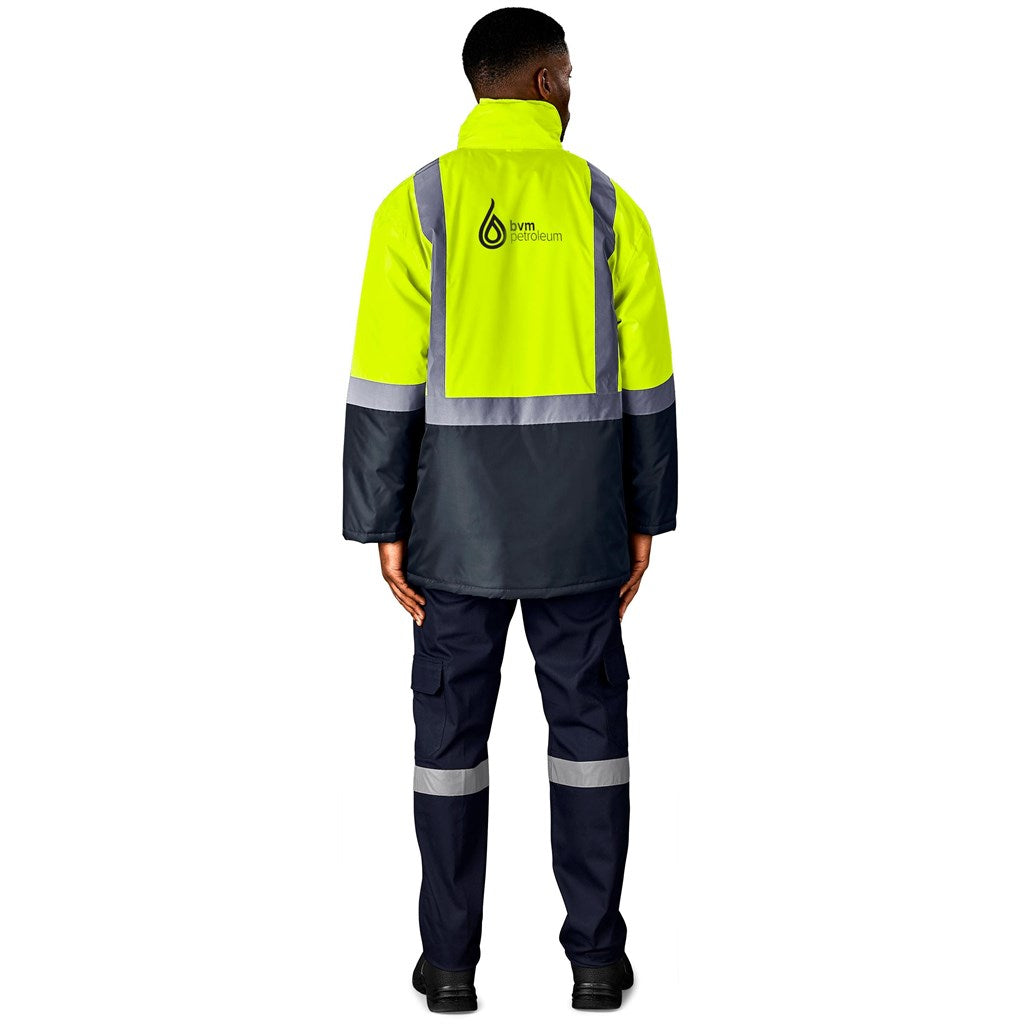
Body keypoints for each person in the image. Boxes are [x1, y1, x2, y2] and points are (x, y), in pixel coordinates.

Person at [342, 7, 677, 1012]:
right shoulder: (608, 206)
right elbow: (649, 380)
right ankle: (596, 961)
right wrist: (644, 514)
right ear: (543, 81)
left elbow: (382, 377)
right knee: (591, 737)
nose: (572, 92)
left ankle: (449, 967)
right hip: (582, 527)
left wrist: (382, 524)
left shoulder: (419, 205)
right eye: (568, 76)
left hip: (452, 531)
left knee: (448, 747)